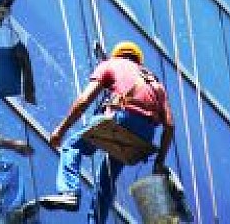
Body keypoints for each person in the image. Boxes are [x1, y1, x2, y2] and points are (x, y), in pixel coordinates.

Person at [36, 41, 174, 223]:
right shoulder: (156, 83)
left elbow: (84, 101)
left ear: (117, 55)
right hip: (144, 136)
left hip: (121, 118)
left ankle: (69, 192)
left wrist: (60, 130)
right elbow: (170, 126)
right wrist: (159, 162)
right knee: (107, 177)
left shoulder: (110, 65)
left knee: (71, 146)